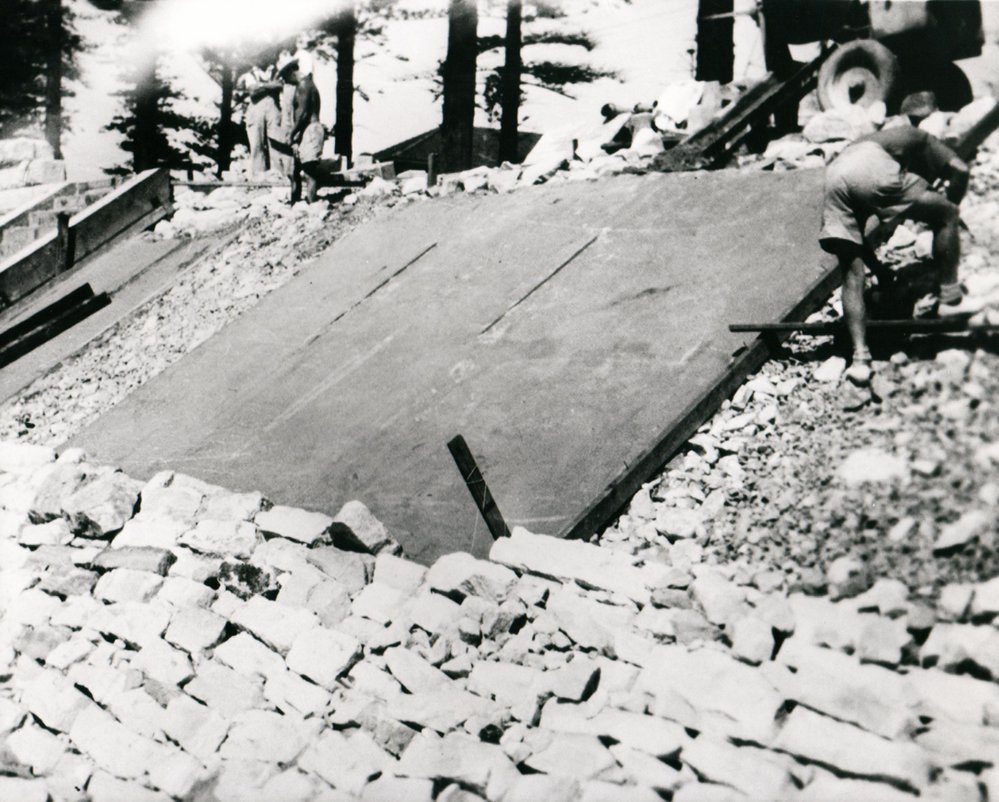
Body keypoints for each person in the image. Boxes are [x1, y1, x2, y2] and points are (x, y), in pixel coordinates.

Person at [819, 113, 971, 385]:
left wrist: (879, 270)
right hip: (869, 169)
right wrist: (949, 206)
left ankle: (860, 358)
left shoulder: (876, 141)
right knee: (947, 214)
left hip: (834, 178)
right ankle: (949, 298)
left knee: (852, 276)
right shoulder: (921, 137)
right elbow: (961, 170)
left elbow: (858, 239)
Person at [279, 54, 325, 204]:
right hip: (305, 131)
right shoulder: (305, 85)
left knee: (309, 171)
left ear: (292, 72)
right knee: (295, 170)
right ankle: (296, 204)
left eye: (285, 78)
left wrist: (291, 134)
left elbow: (303, 114)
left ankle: (312, 205)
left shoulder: (304, 85)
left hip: (311, 130)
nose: (285, 82)